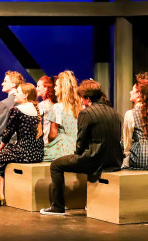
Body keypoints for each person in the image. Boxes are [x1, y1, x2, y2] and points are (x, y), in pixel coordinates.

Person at [40, 79, 123, 215]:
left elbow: (81, 143)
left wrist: (77, 153)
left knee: (56, 165)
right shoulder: (114, 112)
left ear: (87, 98)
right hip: (115, 161)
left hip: (94, 160)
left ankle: (58, 206)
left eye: (82, 98)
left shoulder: (87, 113)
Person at [0, 83, 44, 206]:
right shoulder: (39, 110)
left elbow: (8, 132)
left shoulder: (17, 110)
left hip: (24, 153)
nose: (15, 94)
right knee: (2, 157)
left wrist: (0, 146)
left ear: (25, 95)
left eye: (17, 92)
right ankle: (0, 194)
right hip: (37, 153)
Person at [43, 71, 81, 162]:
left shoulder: (57, 107)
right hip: (78, 148)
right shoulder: (80, 107)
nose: (54, 88)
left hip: (62, 148)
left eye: (56, 86)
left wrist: (48, 142)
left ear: (62, 88)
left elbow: (53, 134)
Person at [122, 78, 148, 169]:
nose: (130, 92)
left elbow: (127, 144)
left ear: (138, 94)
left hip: (140, 159)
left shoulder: (131, 114)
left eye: (132, 90)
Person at [0, 71, 24, 146]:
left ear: (13, 85)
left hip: (8, 143)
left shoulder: (4, 103)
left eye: (5, 81)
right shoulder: (24, 101)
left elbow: (0, 130)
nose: (2, 84)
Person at [37, 75, 57, 144]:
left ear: (46, 88)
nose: (36, 89)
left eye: (38, 86)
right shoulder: (54, 104)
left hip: (44, 140)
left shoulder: (42, 105)